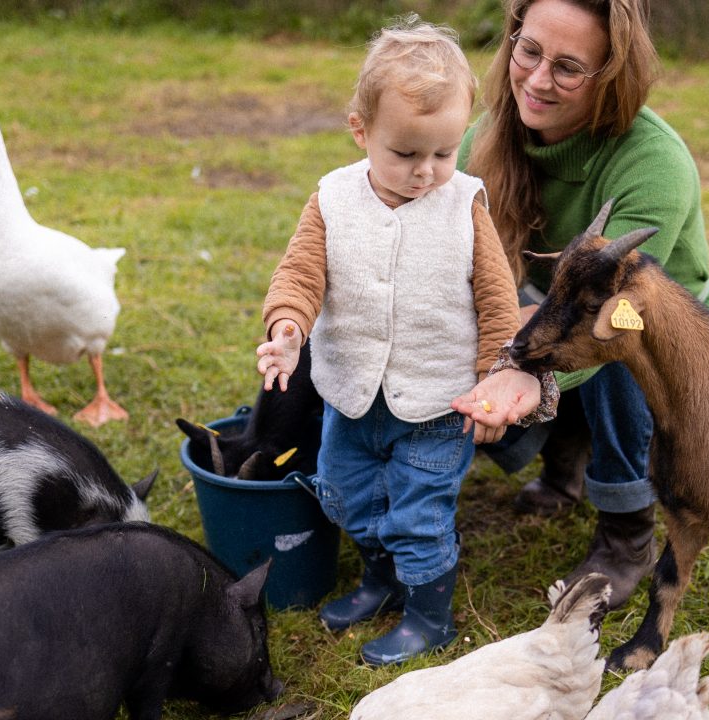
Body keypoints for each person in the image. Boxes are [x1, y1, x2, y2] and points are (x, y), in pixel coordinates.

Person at [256, 16, 547, 666]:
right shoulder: (333, 199)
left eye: (443, 154)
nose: (425, 172)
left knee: (419, 513)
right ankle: (380, 579)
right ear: (361, 132)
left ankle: (429, 614)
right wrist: (287, 329)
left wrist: (497, 377)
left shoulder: (464, 206)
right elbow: (301, 274)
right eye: (406, 154)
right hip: (352, 397)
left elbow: (498, 303)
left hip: (438, 408)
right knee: (345, 494)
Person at [452, 0, 709, 610]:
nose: (538, 81)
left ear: (611, 79)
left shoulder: (655, 163)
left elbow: (603, 312)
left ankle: (628, 533)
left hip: (648, 327)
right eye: (529, 51)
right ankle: (563, 459)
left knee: (622, 333)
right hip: (550, 307)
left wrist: (516, 368)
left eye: (569, 68)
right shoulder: (485, 137)